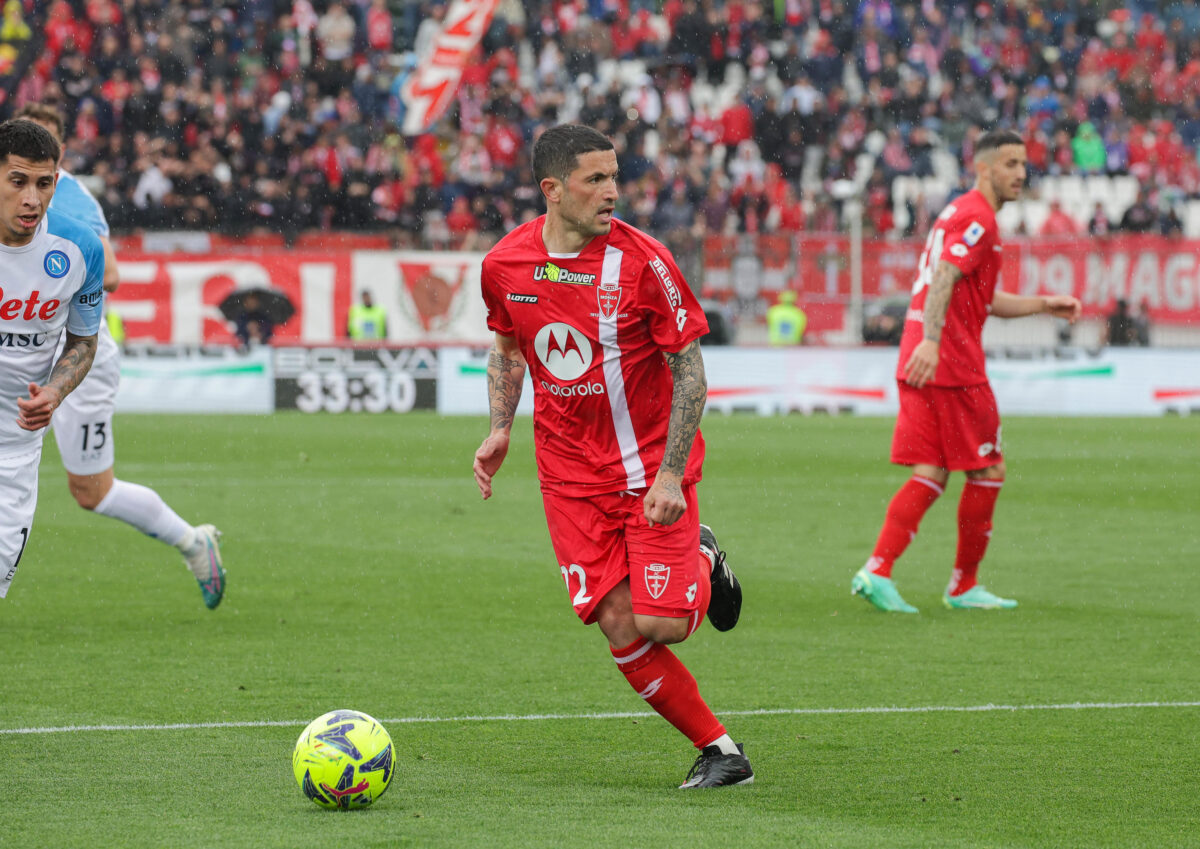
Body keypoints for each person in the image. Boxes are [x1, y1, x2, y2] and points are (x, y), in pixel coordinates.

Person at [472, 125, 752, 788]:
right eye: (595, 179)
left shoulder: (644, 262)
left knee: (663, 622)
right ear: (552, 189)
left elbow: (690, 372)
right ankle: (722, 752)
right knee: (620, 623)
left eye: (614, 177)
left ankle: (705, 556)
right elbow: (507, 349)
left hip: (650, 469)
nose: (612, 192)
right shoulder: (504, 266)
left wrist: (671, 475)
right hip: (569, 477)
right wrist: (499, 428)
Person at [851, 129, 1082, 613]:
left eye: (1023, 164)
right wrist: (934, 342)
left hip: (923, 355)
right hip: (949, 363)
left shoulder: (958, 212)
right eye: (1010, 164)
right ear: (983, 168)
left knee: (933, 470)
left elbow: (981, 297)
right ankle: (963, 586)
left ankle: (878, 570)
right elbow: (945, 277)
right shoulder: (979, 218)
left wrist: (1043, 303)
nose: (1020, 173)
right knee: (988, 468)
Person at [15, 105, 225, 609]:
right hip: (20, 357)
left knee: (91, 491)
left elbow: (108, 272)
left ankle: (192, 541)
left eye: (46, 156)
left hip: (77, 361)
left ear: (61, 156)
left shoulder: (69, 200)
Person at [0, 119, 103, 599]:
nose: (31, 199)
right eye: (17, 181)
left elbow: (83, 343)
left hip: (14, 450)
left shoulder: (80, 248)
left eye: (43, 184)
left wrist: (55, 392)